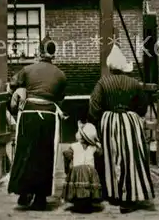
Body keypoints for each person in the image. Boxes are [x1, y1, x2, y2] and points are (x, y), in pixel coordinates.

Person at [87, 44, 155, 214]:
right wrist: (132, 115)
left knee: (110, 157)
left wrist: (97, 122)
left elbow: (94, 108)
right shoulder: (134, 83)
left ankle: (113, 193)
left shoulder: (103, 83)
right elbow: (143, 106)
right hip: (130, 121)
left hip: (109, 120)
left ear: (110, 67)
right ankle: (130, 196)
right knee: (130, 158)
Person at [7, 36, 68, 210]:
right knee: (45, 156)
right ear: (53, 53)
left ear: (39, 52)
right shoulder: (61, 75)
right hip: (49, 115)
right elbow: (60, 98)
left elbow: (12, 85)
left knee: (25, 152)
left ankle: (24, 193)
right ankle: (40, 198)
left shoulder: (27, 70)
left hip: (29, 114)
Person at [61, 121, 102, 212]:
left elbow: (67, 155)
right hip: (90, 170)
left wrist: (68, 168)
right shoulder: (93, 147)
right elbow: (99, 154)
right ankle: (87, 204)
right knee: (88, 187)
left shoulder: (74, 146)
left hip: (77, 169)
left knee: (77, 187)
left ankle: (79, 204)